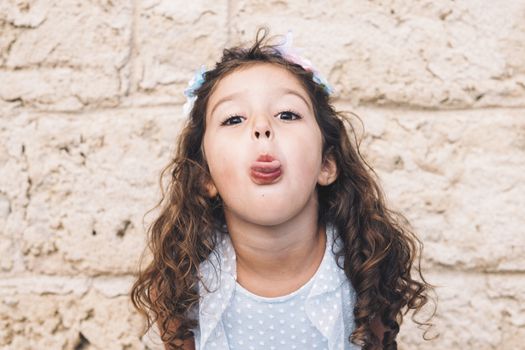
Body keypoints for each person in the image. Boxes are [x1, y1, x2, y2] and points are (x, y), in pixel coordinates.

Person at [131, 27, 435, 350]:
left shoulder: (367, 271)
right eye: (234, 119)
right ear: (204, 177)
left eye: (287, 114)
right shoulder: (183, 285)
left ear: (326, 164)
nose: (262, 127)